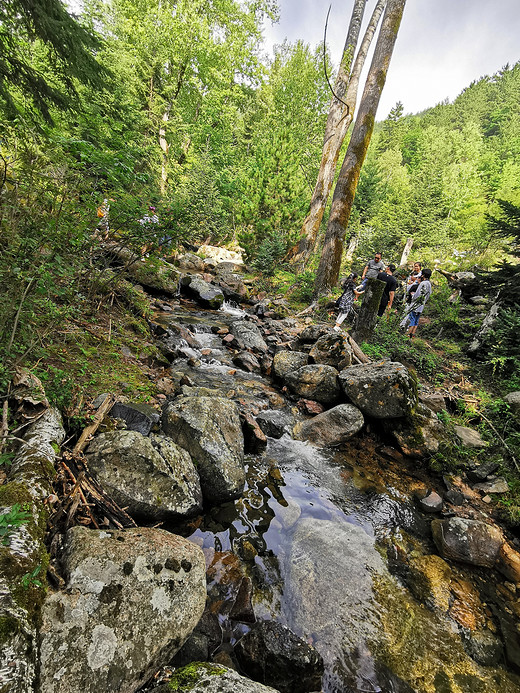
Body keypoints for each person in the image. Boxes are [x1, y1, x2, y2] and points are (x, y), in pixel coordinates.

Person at [404, 268, 432, 338]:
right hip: (421, 304)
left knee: (412, 318)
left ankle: (408, 334)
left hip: (416, 304)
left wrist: (413, 297)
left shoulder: (423, 283)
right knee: (416, 319)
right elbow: (428, 294)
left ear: (423, 275)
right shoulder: (429, 284)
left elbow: (417, 294)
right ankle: (412, 334)